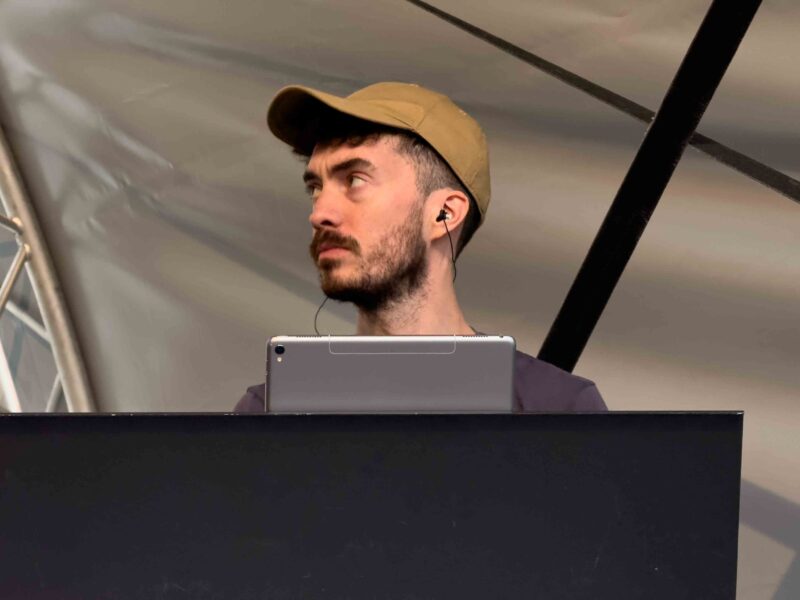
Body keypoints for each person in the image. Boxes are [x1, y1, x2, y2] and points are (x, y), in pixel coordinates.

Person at [236, 82, 605, 412]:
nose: (319, 214)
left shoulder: (560, 410)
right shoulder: (266, 415)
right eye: (315, 187)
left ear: (445, 214)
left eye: (355, 180)